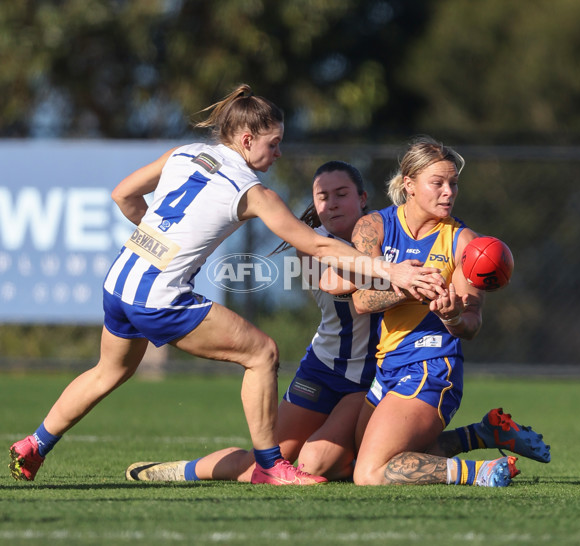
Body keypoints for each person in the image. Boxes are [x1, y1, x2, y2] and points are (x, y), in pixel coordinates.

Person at [8, 86, 446, 485]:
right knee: (262, 354)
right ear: (247, 140)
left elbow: (122, 194)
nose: (278, 155)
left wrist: (161, 240)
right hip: (159, 296)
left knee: (110, 371)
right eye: (273, 145)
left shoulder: (184, 153)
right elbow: (314, 243)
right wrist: (395, 272)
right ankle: (271, 467)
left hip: (121, 280)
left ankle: (34, 444)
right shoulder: (251, 190)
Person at [124, 160, 549, 484]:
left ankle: (473, 440)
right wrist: (403, 277)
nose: (330, 204)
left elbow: (446, 295)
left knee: (320, 464)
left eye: (341, 193)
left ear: (364, 199)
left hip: (367, 378)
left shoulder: (381, 231)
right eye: (322, 196)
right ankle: (177, 470)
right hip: (323, 367)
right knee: (269, 462)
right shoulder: (319, 249)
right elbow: (337, 282)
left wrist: (432, 289)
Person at [350, 135, 540, 487]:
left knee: (370, 473)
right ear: (408, 184)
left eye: (453, 183)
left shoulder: (464, 243)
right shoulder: (374, 226)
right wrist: (407, 286)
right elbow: (361, 300)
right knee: (358, 459)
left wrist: (452, 316)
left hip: (433, 365)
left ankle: (480, 472)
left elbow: (472, 323)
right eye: (437, 183)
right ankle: (480, 434)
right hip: (387, 365)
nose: (448, 192)